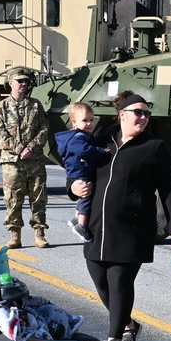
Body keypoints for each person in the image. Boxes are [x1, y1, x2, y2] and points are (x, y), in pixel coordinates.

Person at [70, 91, 171, 341]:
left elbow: (170, 188)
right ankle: (129, 325)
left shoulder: (155, 147)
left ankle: (114, 338)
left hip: (133, 229)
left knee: (120, 281)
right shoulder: (101, 142)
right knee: (102, 283)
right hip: (97, 228)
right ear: (122, 114)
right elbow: (79, 170)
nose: (144, 118)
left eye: (147, 114)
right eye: (139, 113)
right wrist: (72, 188)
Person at [0, 68, 50, 249]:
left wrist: (31, 148)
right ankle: (15, 235)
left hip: (34, 160)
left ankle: (39, 234)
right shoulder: (1, 107)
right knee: (13, 199)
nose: (23, 84)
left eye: (25, 81)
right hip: (12, 162)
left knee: (38, 197)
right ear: (11, 83)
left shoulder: (35, 105)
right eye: (19, 81)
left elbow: (44, 128)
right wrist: (19, 149)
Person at [55, 102, 109, 242]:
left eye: (91, 120)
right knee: (86, 196)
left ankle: (75, 219)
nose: (90, 123)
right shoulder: (78, 137)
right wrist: (101, 151)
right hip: (81, 170)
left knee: (83, 196)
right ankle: (82, 225)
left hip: (79, 169)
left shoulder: (80, 134)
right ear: (74, 122)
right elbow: (84, 150)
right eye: (85, 120)